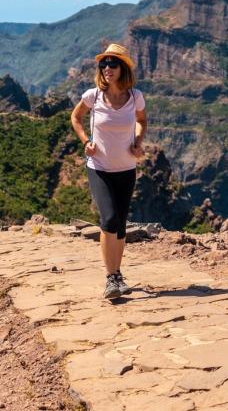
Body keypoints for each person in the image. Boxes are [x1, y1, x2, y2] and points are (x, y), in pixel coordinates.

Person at [70, 43, 147, 299]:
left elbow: (141, 121)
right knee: (110, 220)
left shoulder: (135, 97)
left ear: (123, 68)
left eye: (112, 64)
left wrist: (137, 143)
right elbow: (75, 117)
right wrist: (85, 141)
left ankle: (117, 275)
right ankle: (110, 278)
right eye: (103, 64)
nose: (106, 68)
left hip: (126, 168)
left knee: (121, 226)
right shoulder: (93, 96)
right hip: (100, 168)